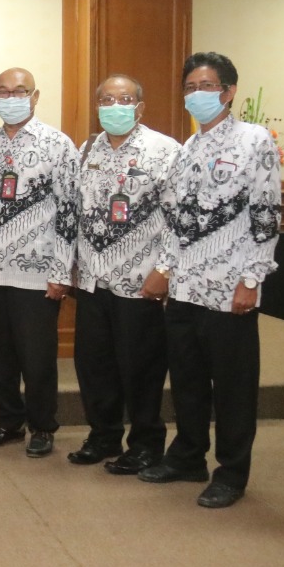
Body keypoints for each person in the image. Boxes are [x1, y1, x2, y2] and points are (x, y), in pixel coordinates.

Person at [137, 52, 281, 509]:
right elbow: (174, 222)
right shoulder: (187, 150)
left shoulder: (254, 140)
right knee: (187, 380)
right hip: (185, 288)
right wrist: (164, 270)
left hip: (228, 288)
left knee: (234, 388)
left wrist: (252, 279)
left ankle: (232, 473)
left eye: (207, 86)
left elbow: (266, 215)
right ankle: (188, 456)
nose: (197, 94)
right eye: (190, 87)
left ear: (229, 91)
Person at [69, 75, 180, 474]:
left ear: (140, 107)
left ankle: (146, 444)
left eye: (125, 99)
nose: (114, 106)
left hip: (140, 282)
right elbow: (77, 213)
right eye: (106, 100)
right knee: (94, 365)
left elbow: (179, 218)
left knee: (140, 368)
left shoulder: (165, 150)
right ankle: (103, 436)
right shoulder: (87, 150)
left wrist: (164, 270)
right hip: (92, 281)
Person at [0, 67, 78, 458]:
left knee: (37, 357)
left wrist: (62, 271)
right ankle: (7, 422)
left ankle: (42, 426)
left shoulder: (58, 145)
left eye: (20, 91)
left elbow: (69, 211)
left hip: (38, 273)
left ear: (35, 96)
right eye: (3, 91)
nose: (11, 97)